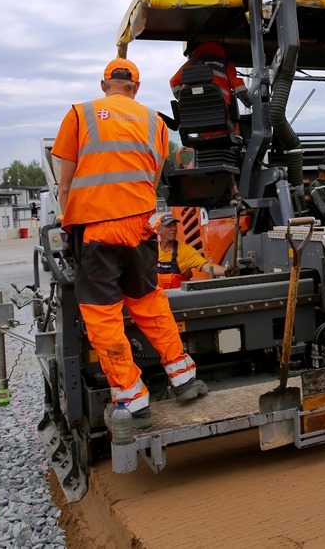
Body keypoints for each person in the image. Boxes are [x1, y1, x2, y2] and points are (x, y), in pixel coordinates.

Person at [51, 57, 207, 434]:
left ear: (104, 84)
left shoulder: (80, 114)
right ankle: (183, 378)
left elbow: (64, 185)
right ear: (135, 87)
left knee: (103, 315)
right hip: (140, 227)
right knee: (148, 301)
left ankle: (133, 399)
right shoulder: (155, 122)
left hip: (97, 230)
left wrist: (68, 228)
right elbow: (152, 180)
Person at [154, 212, 227, 289]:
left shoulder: (185, 251)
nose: (174, 229)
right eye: (168, 226)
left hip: (178, 296)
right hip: (157, 296)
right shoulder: (151, 251)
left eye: (174, 225)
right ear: (158, 230)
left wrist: (227, 271)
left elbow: (205, 266)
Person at [169, 42, 252, 109]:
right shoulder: (227, 64)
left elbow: (173, 82)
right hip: (220, 107)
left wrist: (185, 97)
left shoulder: (190, 63)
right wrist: (248, 102)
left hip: (191, 109)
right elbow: (237, 85)